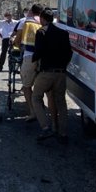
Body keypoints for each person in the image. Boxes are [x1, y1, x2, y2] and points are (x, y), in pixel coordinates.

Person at [31, 8, 72, 144]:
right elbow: (69, 53)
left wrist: (34, 62)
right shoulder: (63, 33)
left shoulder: (41, 32)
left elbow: (38, 52)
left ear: (42, 19)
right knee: (61, 102)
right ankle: (63, 133)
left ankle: (45, 127)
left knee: (36, 97)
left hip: (46, 72)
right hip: (61, 73)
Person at [11, 4, 42, 120]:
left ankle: (33, 111)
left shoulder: (26, 22)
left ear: (31, 12)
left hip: (29, 56)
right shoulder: (44, 22)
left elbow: (17, 39)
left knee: (26, 86)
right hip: (43, 57)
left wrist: (16, 44)